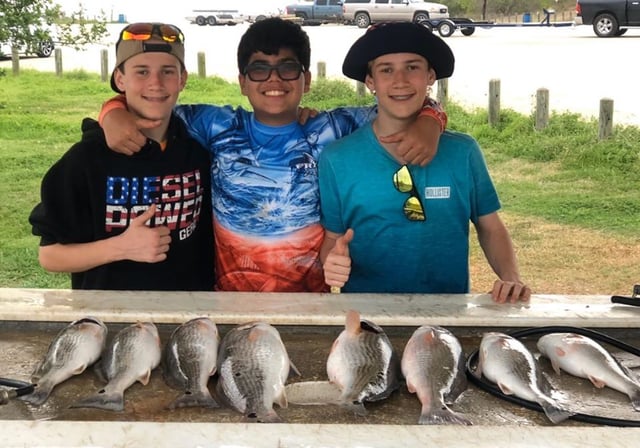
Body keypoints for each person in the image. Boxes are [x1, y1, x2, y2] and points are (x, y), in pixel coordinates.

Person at [98, 18, 447, 293]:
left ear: (306, 80)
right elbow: (154, 107)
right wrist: (111, 111)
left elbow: (399, 105)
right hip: (231, 299)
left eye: (288, 68)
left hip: (312, 301)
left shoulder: (331, 128)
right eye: (260, 69)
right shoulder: (217, 126)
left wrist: (431, 119)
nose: (274, 79)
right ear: (243, 82)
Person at [319, 22, 530, 303]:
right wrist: (331, 262)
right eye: (386, 70)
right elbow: (333, 238)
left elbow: (490, 225)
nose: (400, 80)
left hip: (447, 314)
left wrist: (510, 278)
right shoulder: (337, 159)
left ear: (430, 75)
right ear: (370, 82)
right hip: (365, 315)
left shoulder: (463, 152)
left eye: (412, 67)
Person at [29, 22, 215, 290]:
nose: (155, 83)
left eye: (167, 71)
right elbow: (49, 256)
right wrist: (121, 248)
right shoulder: (87, 159)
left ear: (182, 79)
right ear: (120, 79)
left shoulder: (199, 148)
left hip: (190, 314)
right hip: (111, 315)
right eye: (141, 71)